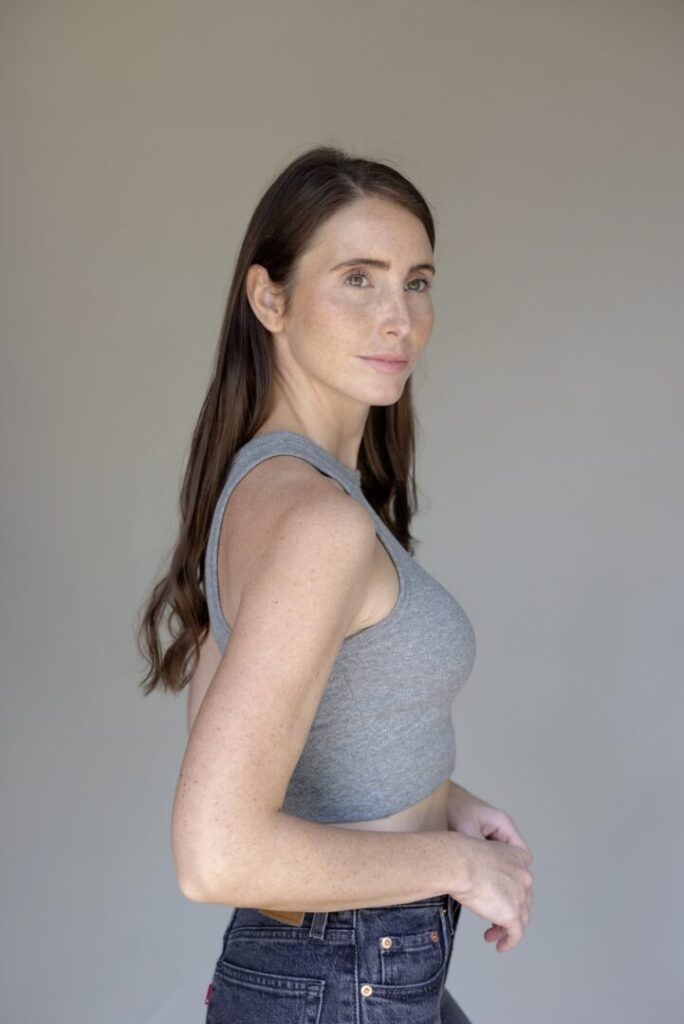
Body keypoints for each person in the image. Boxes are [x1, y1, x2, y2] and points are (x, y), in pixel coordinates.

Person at [137, 145, 534, 1023]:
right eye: (358, 279)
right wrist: (462, 865)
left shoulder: (271, 488)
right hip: (344, 971)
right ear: (269, 299)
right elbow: (215, 852)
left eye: (417, 282)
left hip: (341, 966)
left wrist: (443, 803)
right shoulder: (316, 521)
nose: (400, 319)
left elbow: (276, 737)